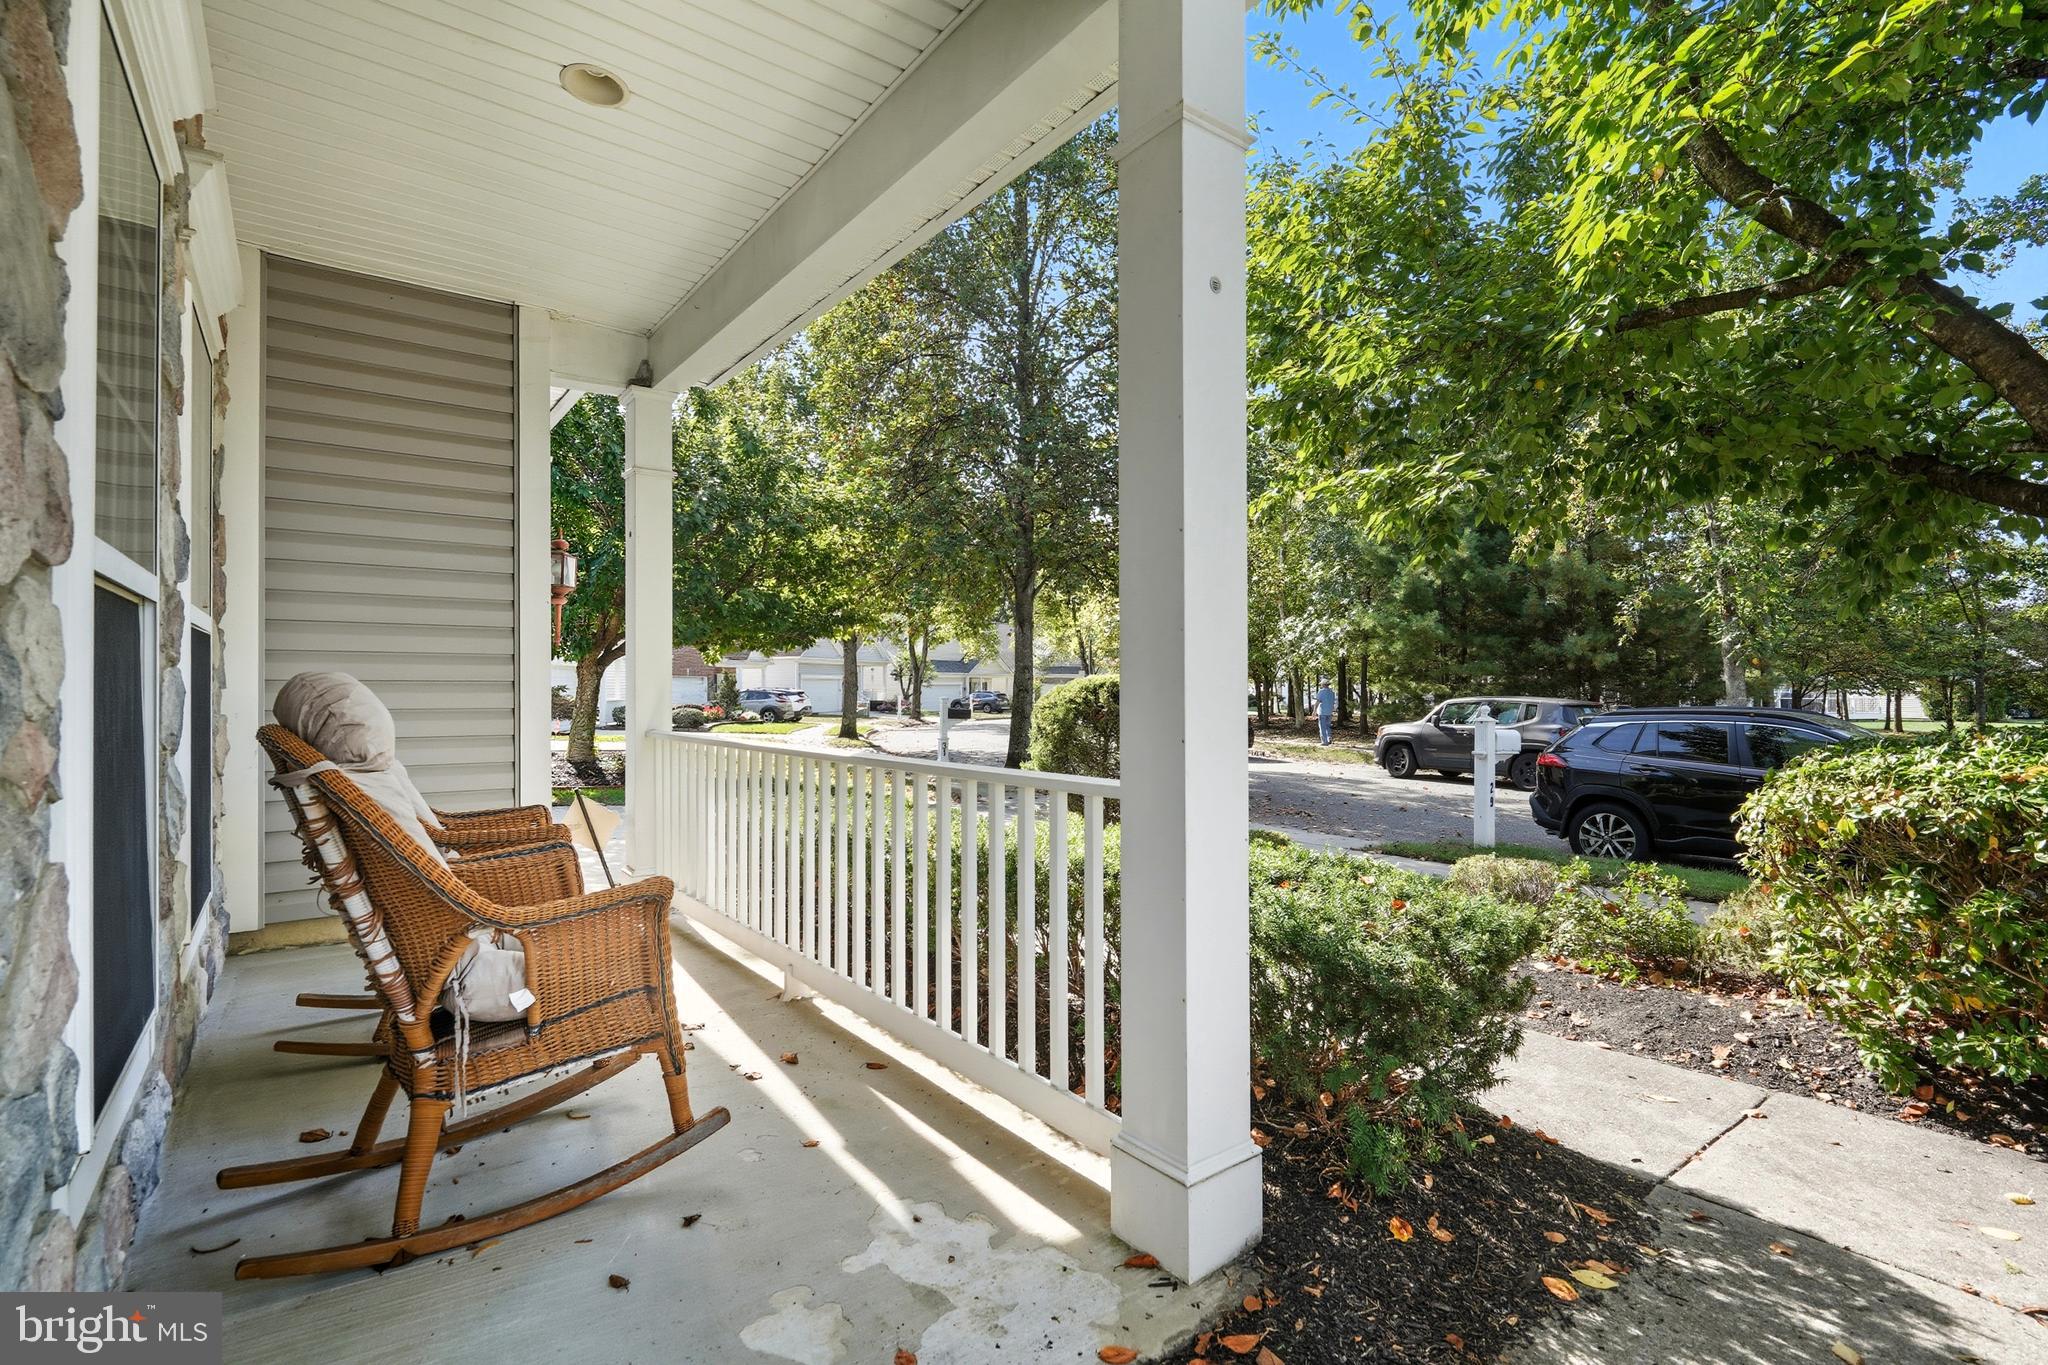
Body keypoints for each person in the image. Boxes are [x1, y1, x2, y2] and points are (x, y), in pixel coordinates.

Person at [1315, 677, 1337, 746]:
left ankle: (1324, 741)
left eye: (1321, 684)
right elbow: (1333, 702)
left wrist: (1314, 711)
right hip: (1329, 712)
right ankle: (1329, 738)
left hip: (1322, 712)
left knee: (1322, 727)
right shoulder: (1332, 692)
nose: (1321, 685)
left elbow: (1318, 701)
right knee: (1328, 726)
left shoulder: (1321, 691)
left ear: (1323, 685)